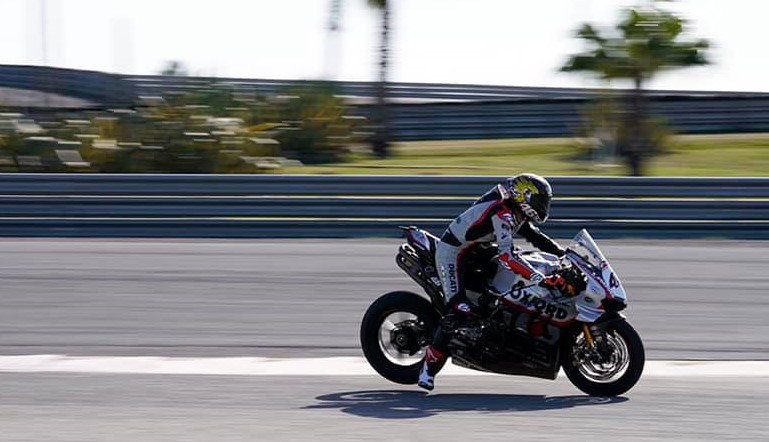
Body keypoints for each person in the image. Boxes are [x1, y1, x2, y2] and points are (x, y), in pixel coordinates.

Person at [418, 173, 570, 391]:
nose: (543, 206)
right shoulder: (503, 213)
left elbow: (535, 237)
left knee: (500, 289)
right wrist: (538, 278)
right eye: (539, 201)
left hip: (478, 251)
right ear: (523, 196)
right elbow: (508, 257)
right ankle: (428, 369)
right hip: (453, 254)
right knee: (458, 310)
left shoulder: (516, 211)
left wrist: (563, 253)